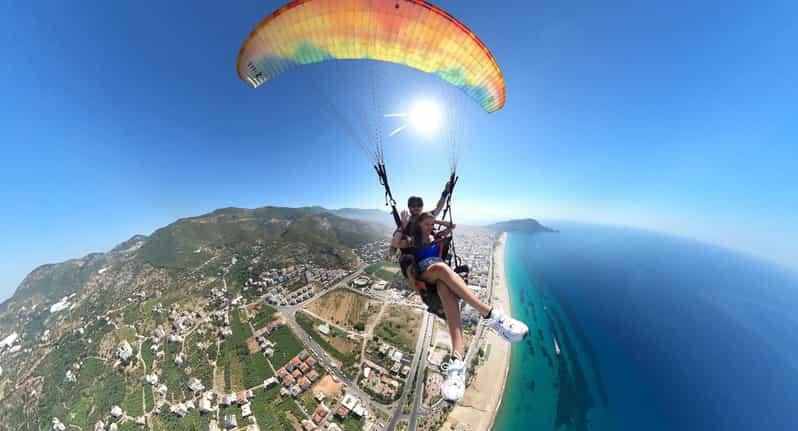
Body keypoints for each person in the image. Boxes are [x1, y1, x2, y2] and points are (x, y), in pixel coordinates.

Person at [397, 212, 529, 402]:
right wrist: (404, 224)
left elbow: (452, 226)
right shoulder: (412, 240)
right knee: (442, 269)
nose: (429, 227)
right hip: (425, 273)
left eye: (430, 224)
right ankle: (491, 315)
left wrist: (435, 221)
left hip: (441, 277)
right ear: (418, 226)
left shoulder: (436, 236)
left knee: (444, 285)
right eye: (426, 224)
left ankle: (457, 361)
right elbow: (396, 245)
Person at [385, 181, 452, 260]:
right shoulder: (405, 222)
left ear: (422, 207)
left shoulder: (426, 217)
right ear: (409, 207)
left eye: (419, 205)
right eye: (413, 205)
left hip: (428, 252)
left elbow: (438, 208)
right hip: (412, 255)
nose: (416, 207)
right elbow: (395, 241)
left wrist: (445, 192)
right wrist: (391, 255)